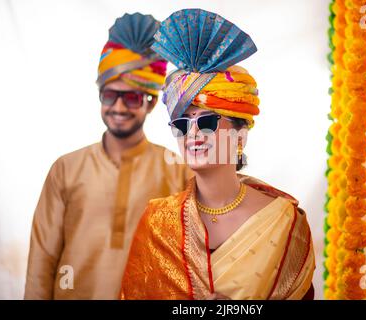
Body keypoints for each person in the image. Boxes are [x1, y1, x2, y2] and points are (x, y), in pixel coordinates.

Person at [121, 8, 315, 300]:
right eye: (182, 124)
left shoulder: (285, 222)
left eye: (208, 121)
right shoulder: (158, 221)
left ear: (240, 134)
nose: (193, 134)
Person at [24, 13, 190, 299]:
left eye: (133, 97)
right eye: (110, 95)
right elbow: (42, 261)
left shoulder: (177, 171)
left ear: (150, 103)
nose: (119, 106)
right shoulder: (66, 169)